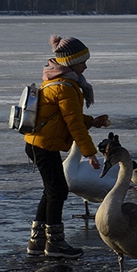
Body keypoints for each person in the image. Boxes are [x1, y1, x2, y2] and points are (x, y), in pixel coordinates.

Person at [24, 35, 109, 258]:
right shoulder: (65, 87)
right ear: (71, 62)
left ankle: (37, 242)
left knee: (52, 190)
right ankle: (55, 245)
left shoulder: (57, 81)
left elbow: (67, 117)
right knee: (58, 191)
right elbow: (73, 125)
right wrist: (90, 153)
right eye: (82, 61)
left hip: (39, 144)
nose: (86, 65)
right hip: (43, 145)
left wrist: (91, 121)